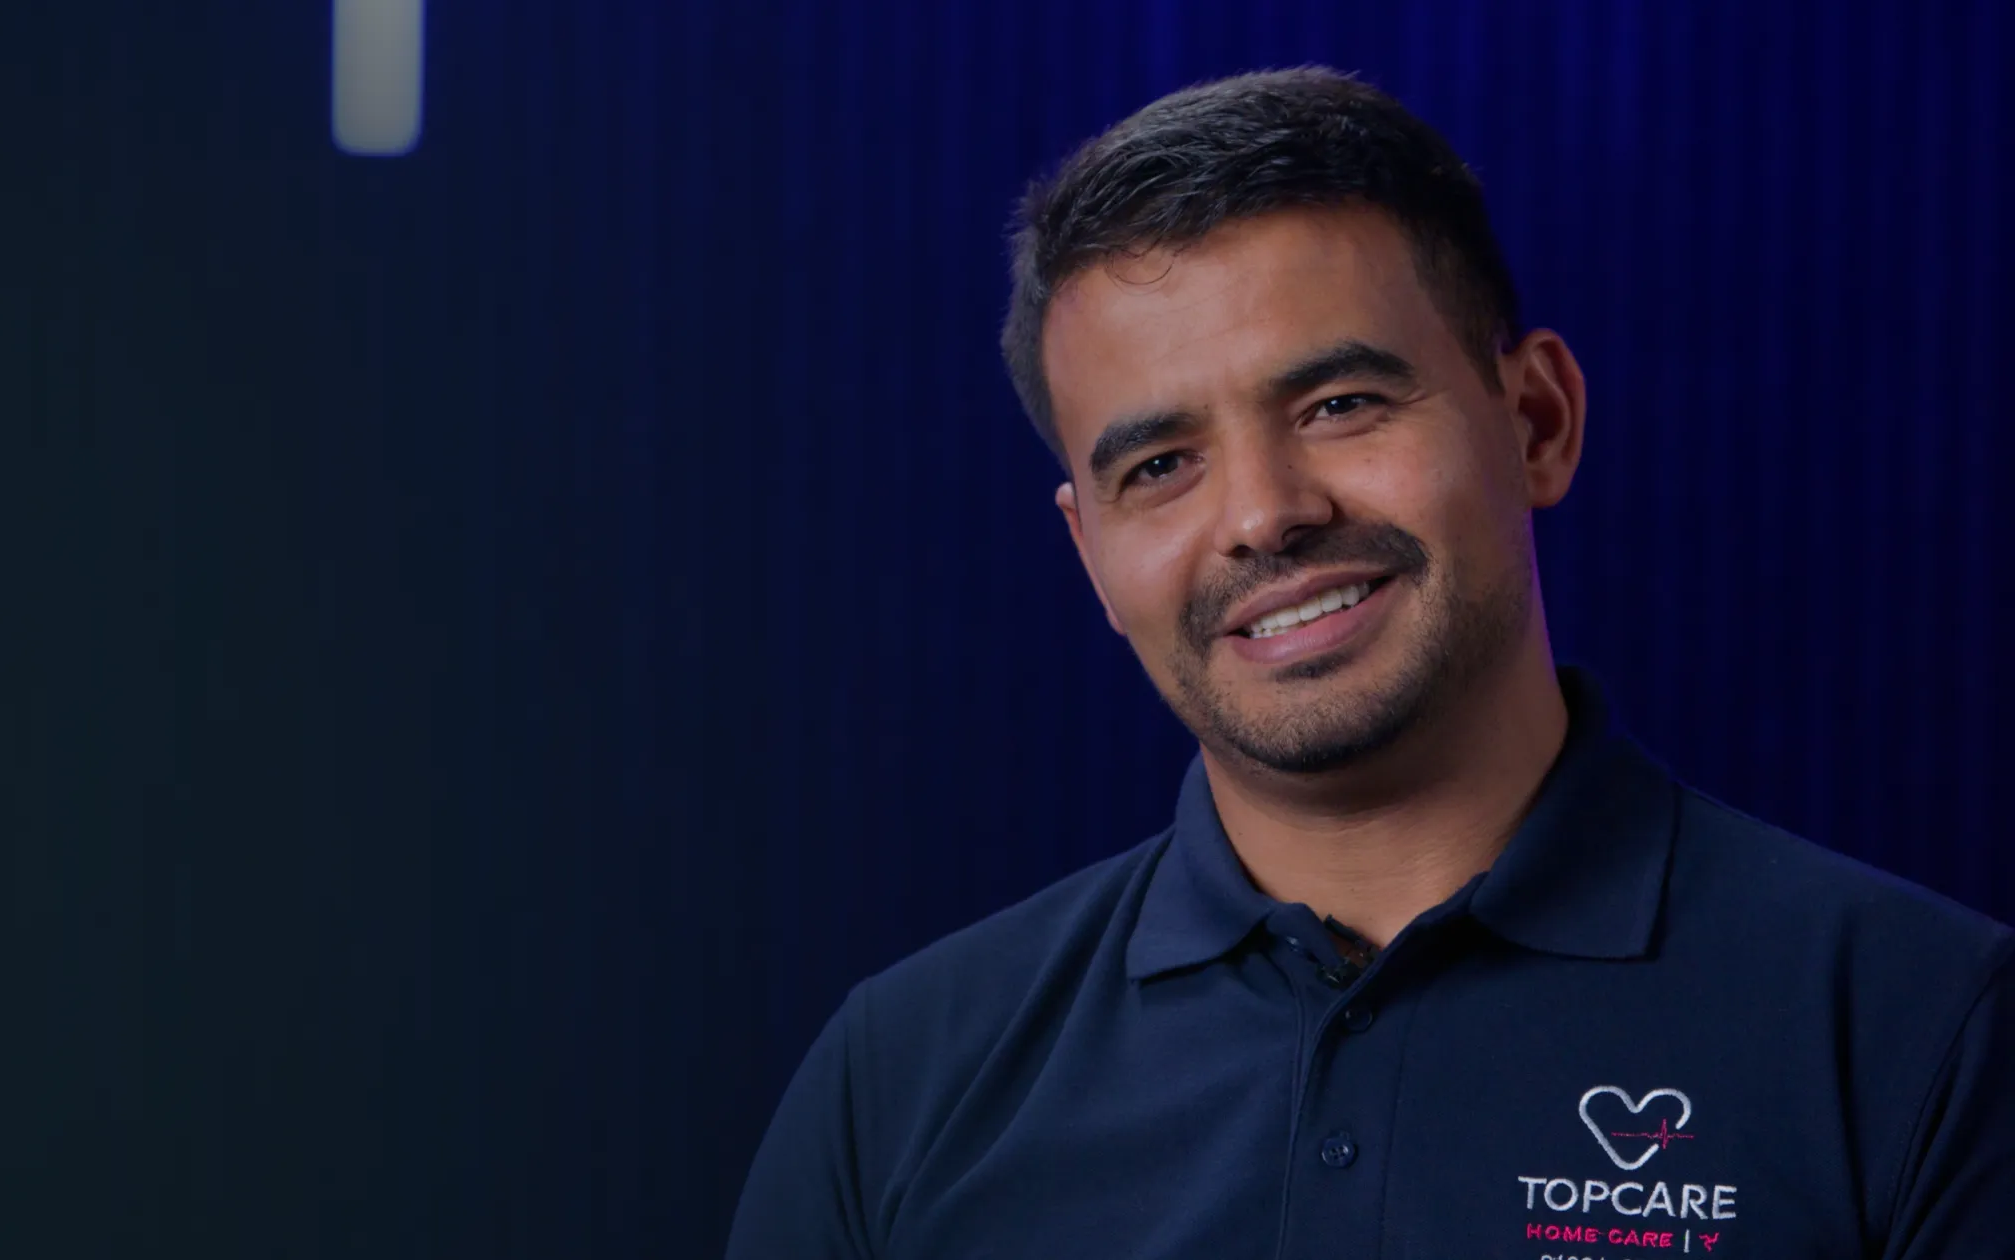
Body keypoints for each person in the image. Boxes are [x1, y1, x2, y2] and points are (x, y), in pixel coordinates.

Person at [725, 67, 2015, 1259]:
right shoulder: (895, 1085)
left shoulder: (1927, 1032)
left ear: (1537, 423)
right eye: (1160, 466)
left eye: (1339, 406)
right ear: (1092, 555)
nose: (1263, 514)